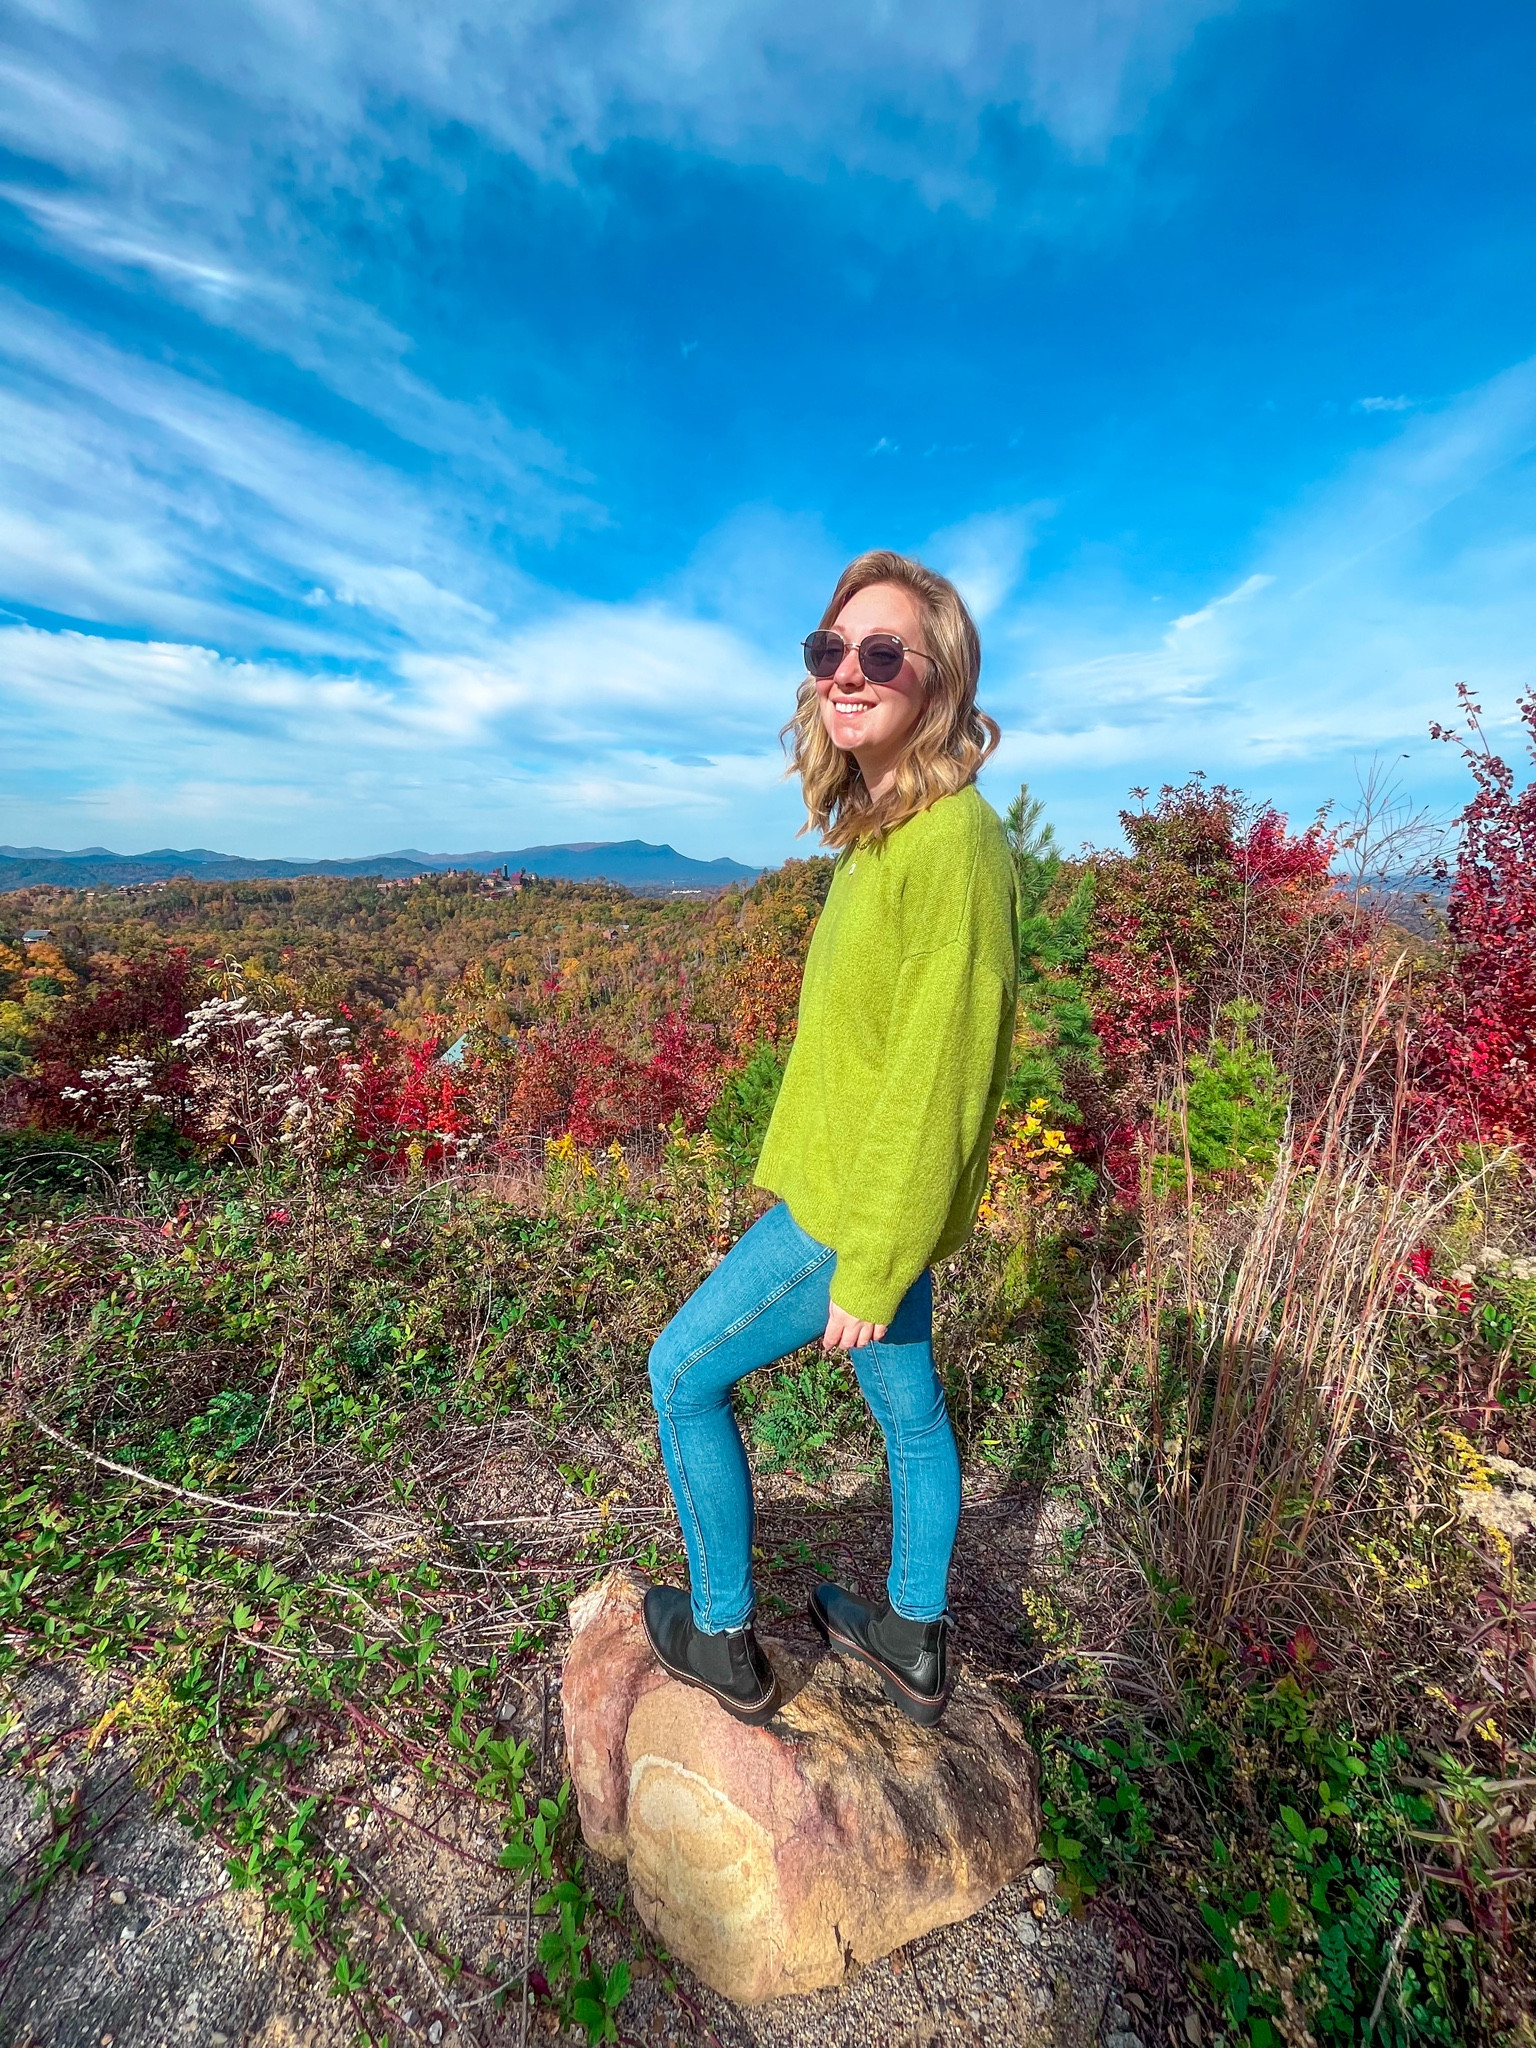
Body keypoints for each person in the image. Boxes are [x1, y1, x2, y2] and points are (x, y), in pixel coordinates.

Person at [642, 549, 1018, 1727]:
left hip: (852, 1207)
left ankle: (719, 1639)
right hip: (857, 1195)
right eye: (827, 651)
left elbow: (940, 1070)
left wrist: (873, 1251)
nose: (845, 675)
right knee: (907, 1407)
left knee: (680, 1373)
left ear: (938, 681)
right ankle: (909, 1630)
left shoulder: (952, 841)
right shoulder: (886, 829)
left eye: (880, 654)